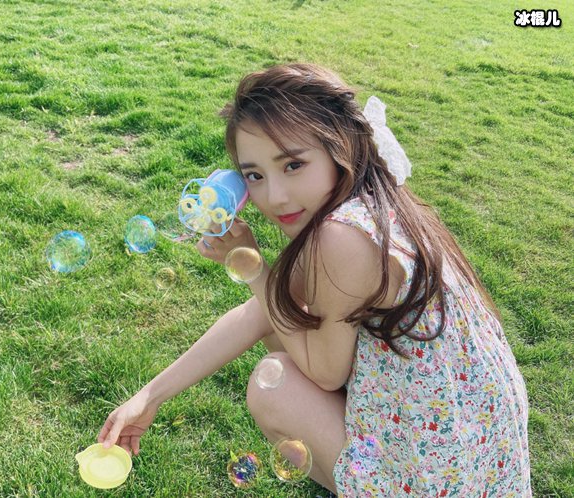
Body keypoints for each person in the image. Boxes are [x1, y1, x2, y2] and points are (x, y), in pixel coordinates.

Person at [98, 63, 531, 497]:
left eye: (293, 164)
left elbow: (324, 374)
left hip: (437, 476)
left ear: (339, 148)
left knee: (274, 384)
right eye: (254, 176)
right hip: (476, 450)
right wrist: (149, 397)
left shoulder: (341, 239)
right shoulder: (373, 202)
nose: (275, 197)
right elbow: (258, 315)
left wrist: (253, 269)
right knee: (283, 317)